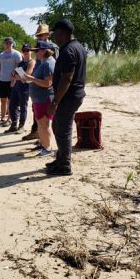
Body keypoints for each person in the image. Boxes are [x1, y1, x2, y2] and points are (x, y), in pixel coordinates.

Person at [46, 20, 87, 176]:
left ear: (61, 32)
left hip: (68, 97)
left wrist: (55, 101)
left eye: (55, 33)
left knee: (63, 130)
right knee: (57, 126)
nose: (54, 36)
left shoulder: (68, 50)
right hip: (74, 95)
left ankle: (64, 165)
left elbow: (67, 78)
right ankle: (60, 158)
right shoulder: (79, 47)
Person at [22, 24, 59, 141]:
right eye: (38, 35)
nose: (39, 37)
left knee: (46, 118)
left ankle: (45, 140)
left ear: (47, 34)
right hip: (38, 85)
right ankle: (39, 135)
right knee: (37, 113)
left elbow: (55, 67)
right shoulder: (38, 46)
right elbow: (38, 64)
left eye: (41, 34)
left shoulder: (52, 47)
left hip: (47, 87)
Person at [24, 41, 56, 157]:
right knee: (41, 123)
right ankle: (44, 145)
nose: (35, 53)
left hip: (44, 99)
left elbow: (48, 83)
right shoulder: (44, 62)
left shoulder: (48, 63)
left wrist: (31, 78)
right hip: (39, 99)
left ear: (44, 51)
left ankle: (48, 148)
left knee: (44, 124)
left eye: (37, 50)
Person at [5, 43, 35, 133]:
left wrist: (16, 77)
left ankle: (21, 126)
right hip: (17, 86)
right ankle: (14, 124)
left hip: (25, 88)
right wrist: (15, 77)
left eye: (27, 50)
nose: (26, 52)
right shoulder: (20, 63)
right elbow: (14, 74)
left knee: (23, 107)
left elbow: (27, 77)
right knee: (11, 106)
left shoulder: (32, 62)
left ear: (31, 52)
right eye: (24, 50)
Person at [0, 37, 21, 127]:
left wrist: (15, 79)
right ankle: (2, 119)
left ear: (12, 44)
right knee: (3, 100)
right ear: (4, 44)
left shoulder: (16, 54)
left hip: (11, 81)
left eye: (10, 43)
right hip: (1, 80)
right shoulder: (1, 55)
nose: (8, 44)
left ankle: (9, 119)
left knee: (10, 101)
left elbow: (19, 67)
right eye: (6, 43)